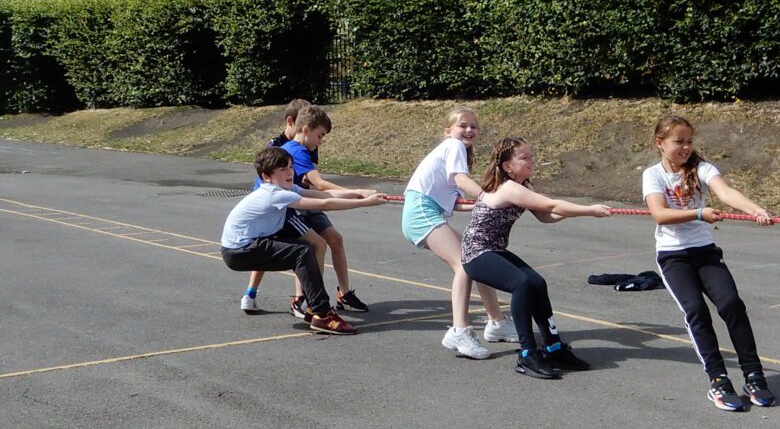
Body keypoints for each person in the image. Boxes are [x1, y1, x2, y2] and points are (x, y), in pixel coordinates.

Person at [643, 115, 777, 411]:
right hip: (673, 255)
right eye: (679, 142)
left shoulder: (701, 168)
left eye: (690, 141)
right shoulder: (653, 175)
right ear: (660, 143)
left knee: (731, 304)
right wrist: (698, 213)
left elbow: (726, 193)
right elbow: (659, 214)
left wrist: (756, 210)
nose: (686, 147)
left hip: (705, 251)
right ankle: (718, 380)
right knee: (696, 310)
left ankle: (754, 376)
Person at [462, 137, 612, 379]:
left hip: (495, 250)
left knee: (537, 283)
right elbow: (551, 205)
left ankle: (553, 348)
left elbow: (546, 215)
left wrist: (574, 213)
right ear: (508, 166)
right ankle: (527, 353)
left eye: (531, 156)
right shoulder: (509, 188)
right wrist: (589, 210)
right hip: (476, 253)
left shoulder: (524, 187)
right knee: (521, 283)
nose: (532, 161)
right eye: (524, 158)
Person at [221, 147, 386, 334]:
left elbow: (324, 195)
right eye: (282, 169)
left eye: (290, 167)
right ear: (266, 177)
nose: (289, 172)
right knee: (301, 252)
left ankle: (314, 309)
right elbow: (325, 204)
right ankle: (322, 314)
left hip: (244, 248)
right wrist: (366, 203)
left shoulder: (286, 188)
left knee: (305, 249)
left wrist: (358, 192)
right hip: (239, 251)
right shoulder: (274, 194)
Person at [401, 107, 518, 359]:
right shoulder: (453, 146)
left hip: (429, 211)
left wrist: (488, 202)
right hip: (421, 212)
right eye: (462, 125)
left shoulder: (456, 153)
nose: (468, 130)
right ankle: (459, 331)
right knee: (465, 265)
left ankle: (497, 322)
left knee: (478, 258)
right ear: (448, 131)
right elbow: (461, 181)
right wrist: (488, 198)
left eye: (473, 126)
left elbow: (456, 202)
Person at [242, 105, 370, 317]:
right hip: (288, 205)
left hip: (302, 196)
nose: (321, 141)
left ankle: (343, 294)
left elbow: (309, 185)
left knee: (334, 239)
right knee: (310, 245)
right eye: (320, 136)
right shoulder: (291, 149)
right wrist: (357, 194)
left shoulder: (306, 148)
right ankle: (306, 299)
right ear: (303, 128)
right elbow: (320, 185)